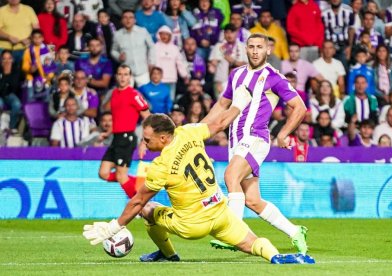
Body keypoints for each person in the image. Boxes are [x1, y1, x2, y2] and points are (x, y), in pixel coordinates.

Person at [83, 111, 315, 264]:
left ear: (163, 138)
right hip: (221, 213)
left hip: (192, 225)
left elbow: (137, 202)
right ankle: (277, 257)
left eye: (147, 139)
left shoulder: (160, 165)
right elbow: (220, 123)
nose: (144, 143)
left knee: (149, 209)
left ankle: (168, 255)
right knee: (252, 243)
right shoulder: (188, 131)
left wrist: (113, 227)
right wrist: (239, 101)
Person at [203, 33, 309, 254]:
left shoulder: (274, 77)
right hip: (235, 142)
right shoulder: (236, 74)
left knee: (230, 177)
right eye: (251, 47)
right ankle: (295, 231)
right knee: (252, 200)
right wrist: (200, 129)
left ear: (268, 50)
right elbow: (222, 104)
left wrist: (282, 134)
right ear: (246, 49)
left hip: (256, 138)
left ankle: (233, 232)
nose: (254, 51)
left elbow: (300, 107)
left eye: (259, 47)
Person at [98, 64, 151, 199]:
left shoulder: (134, 95)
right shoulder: (115, 93)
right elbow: (118, 117)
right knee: (103, 173)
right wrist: (108, 132)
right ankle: (137, 182)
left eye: (125, 74)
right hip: (116, 138)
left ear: (130, 77)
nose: (122, 77)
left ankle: (139, 208)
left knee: (121, 176)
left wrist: (145, 142)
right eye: (120, 74)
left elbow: (148, 118)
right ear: (116, 76)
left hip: (127, 138)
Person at [111, 9, 155, 88]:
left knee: (145, 97)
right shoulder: (117, 34)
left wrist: (151, 63)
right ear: (121, 20)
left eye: (131, 18)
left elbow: (152, 47)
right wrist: (118, 57)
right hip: (126, 73)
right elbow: (113, 50)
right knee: (126, 97)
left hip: (143, 71)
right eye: (125, 17)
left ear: (135, 20)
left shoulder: (142, 31)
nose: (128, 20)